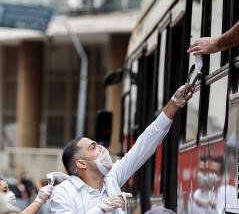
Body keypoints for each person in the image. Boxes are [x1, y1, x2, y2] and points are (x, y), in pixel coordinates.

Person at [50, 84, 194, 213]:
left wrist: (174, 104)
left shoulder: (111, 178)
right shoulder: (64, 192)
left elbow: (143, 146)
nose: (101, 148)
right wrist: (101, 208)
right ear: (81, 163)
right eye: (93, 147)